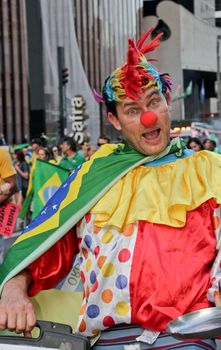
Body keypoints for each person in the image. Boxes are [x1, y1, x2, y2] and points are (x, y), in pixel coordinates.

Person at [1, 27, 221, 350]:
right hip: (110, 342)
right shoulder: (93, 175)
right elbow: (43, 248)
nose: (148, 117)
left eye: (153, 101)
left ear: (167, 102)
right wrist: (14, 289)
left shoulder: (209, 170)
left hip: (188, 339)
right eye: (132, 110)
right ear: (114, 120)